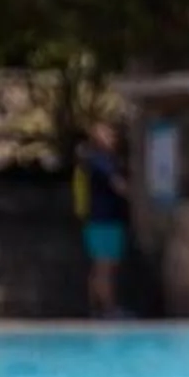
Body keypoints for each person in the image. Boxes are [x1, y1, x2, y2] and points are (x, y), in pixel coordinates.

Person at [73, 125, 130, 318]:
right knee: (105, 266)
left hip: (97, 220)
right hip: (104, 220)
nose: (113, 138)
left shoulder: (93, 161)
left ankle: (96, 308)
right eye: (108, 135)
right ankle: (109, 309)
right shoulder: (101, 162)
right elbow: (119, 186)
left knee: (99, 266)